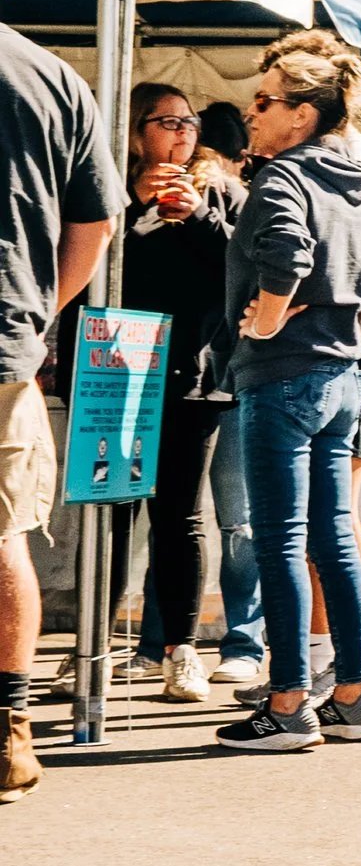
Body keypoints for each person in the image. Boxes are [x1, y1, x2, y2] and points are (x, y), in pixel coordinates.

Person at [215, 34, 361, 752]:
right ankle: (354, 694)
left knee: (280, 540)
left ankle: (286, 705)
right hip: (342, 377)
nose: (253, 110)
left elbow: (288, 253)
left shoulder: (283, 178)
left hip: (283, 377)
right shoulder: (356, 175)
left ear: (302, 113)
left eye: (266, 99)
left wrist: (268, 318)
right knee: (332, 537)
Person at [0, 0, 121, 796]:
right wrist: (42, 309)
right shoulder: (53, 80)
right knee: (2, 534)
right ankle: (9, 730)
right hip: (5, 339)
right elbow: (97, 223)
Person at [116, 85, 242, 705]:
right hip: (114, 368)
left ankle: (181, 653)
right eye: (167, 122)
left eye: (189, 123)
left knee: (179, 516)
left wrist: (195, 213)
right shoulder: (109, 185)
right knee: (110, 509)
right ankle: (96, 643)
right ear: (138, 131)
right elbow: (95, 261)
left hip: (193, 375)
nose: (183, 134)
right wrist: (133, 211)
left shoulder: (220, 191)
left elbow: (239, 271)